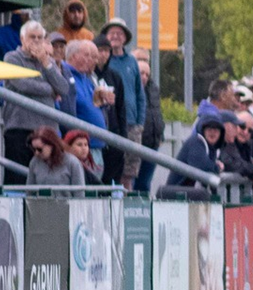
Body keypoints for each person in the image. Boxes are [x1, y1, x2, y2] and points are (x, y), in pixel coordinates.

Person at [1, 20, 73, 185]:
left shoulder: (48, 61)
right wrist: (50, 90)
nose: (36, 41)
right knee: (18, 178)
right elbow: (23, 84)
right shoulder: (12, 58)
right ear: (22, 39)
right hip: (19, 128)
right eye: (32, 37)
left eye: (40, 38)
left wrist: (46, 64)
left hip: (47, 130)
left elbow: (63, 88)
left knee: (47, 175)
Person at [97, 19, 146, 187]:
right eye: (112, 33)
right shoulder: (103, 64)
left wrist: (140, 121)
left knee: (130, 172)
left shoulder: (132, 61)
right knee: (112, 168)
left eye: (120, 33)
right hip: (112, 122)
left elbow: (140, 93)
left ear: (125, 38)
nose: (116, 36)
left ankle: (127, 203)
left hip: (132, 124)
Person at [59, 39, 112, 164]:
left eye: (93, 56)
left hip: (97, 146)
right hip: (79, 149)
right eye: (87, 55)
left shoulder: (89, 78)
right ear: (73, 55)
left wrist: (105, 102)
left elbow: (94, 107)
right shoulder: (64, 75)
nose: (92, 60)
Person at [165, 115, 226, 194]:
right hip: (175, 195)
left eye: (216, 130)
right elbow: (200, 166)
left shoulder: (213, 149)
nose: (213, 132)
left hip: (188, 193)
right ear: (203, 130)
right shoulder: (196, 141)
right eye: (209, 129)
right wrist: (217, 167)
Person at [133, 48, 165, 193]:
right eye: (139, 60)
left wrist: (160, 134)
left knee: (145, 184)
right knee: (132, 182)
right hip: (135, 142)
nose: (144, 76)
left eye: (146, 61)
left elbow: (157, 112)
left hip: (152, 143)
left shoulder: (153, 88)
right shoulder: (129, 86)